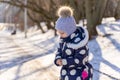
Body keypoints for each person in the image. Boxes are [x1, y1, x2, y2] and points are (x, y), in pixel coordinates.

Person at [54, 6, 93, 80]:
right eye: (58, 33)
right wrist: (58, 59)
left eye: (62, 33)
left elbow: (79, 60)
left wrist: (65, 61)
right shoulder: (64, 39)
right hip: (66, 73)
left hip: (80, 73)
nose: (60, 35)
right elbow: (59, 51)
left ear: (70, 31)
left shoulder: (80, 43)